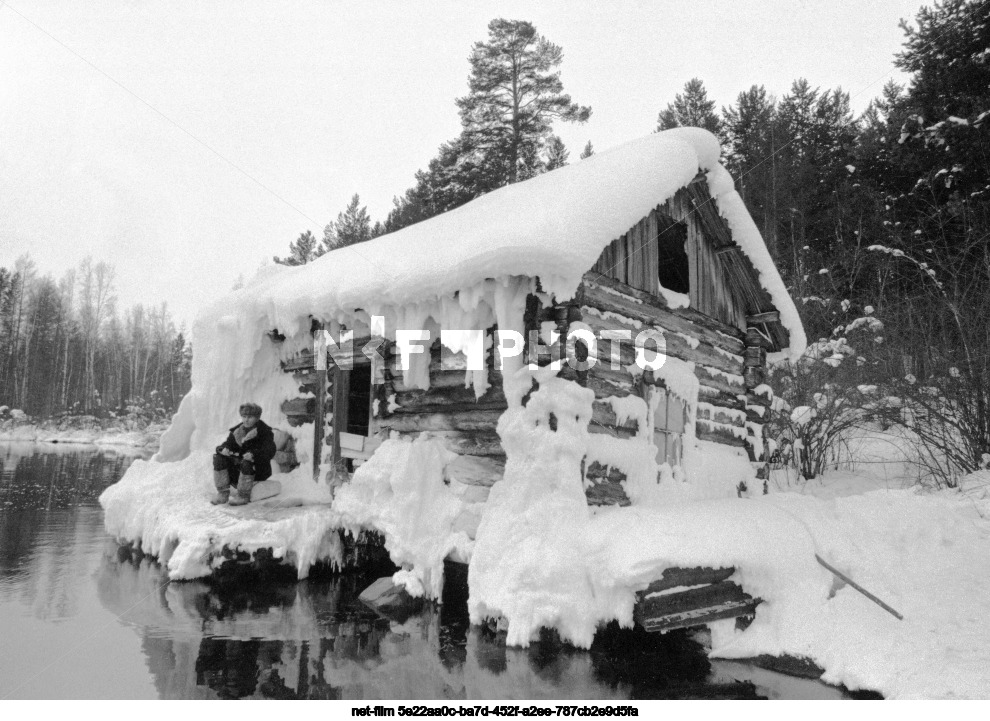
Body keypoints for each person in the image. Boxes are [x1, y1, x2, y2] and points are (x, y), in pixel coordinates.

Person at [212, 402, 278, 506]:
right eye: (244, 416)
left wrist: (253, 455)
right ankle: (223, 493)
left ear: (257, 418)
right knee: (219, 458)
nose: (246, 420)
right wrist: (223, 449)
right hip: (240, 469)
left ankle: (243, 496)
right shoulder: (237, 431)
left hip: (258, 470)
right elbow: (228, 444)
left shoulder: (264, 432)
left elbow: (270, 450)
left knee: (246, 462)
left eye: (250, 417)